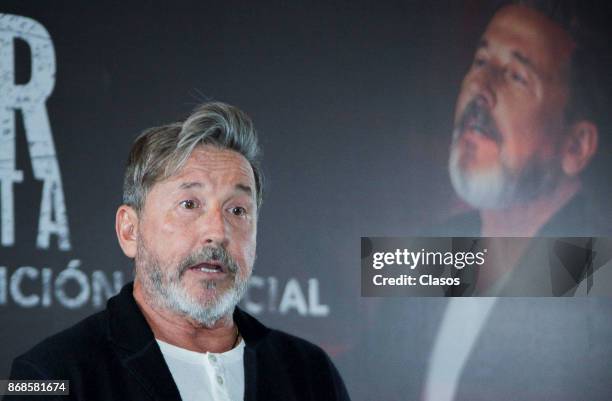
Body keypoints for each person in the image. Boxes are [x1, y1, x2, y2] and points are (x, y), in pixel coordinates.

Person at [5, 102, 351, 401]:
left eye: (237, 210)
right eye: (189, 204)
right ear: (130, 230)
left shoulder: (310, 373)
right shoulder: (50, 374)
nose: (217, 232)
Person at [443, 0, 612, 296]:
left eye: (516, 76)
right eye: (481, 61)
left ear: (575, 146)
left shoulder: (600, 280)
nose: (479, 87)